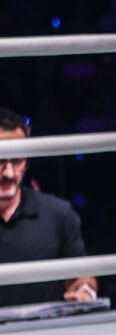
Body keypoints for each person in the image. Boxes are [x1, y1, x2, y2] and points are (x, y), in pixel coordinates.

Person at [0, 108, 98, 307]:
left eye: (17, 160)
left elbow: (81, 277)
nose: (9, 173)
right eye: (0, 160)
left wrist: (85, 292)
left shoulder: (57, 213)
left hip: (45, 333)